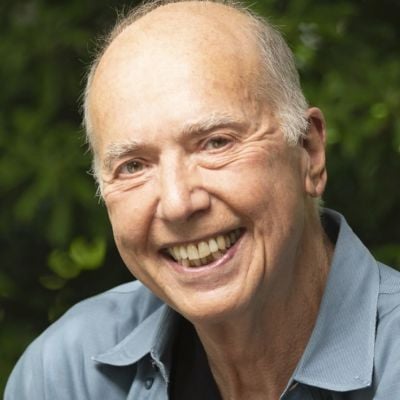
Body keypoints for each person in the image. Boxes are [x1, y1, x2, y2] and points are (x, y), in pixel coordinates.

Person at [5, 1, 400, 399]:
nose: (178, 203)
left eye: (215, 143)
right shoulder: (68, 375)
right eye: (133, 166)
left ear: (309, 153)